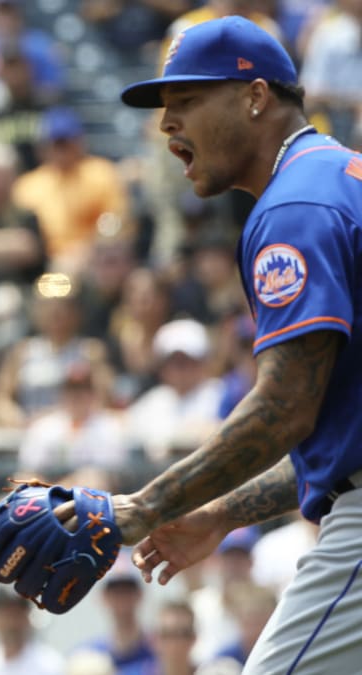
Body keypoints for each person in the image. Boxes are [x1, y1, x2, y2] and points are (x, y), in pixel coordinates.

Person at [89, 16, 362, 673]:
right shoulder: (337, 178)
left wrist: (149, 503)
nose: (165, 125)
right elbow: (337, 442)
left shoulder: (295, 207)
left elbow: (285, 410)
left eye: (185, 101)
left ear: (255, 96)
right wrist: (218, 513)